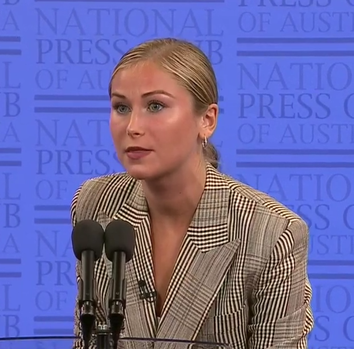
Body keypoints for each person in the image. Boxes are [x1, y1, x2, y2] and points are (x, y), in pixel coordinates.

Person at [71, 38, 313, 349]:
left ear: (207, 120)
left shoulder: (272, 233)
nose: (132, 126)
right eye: (121, 107)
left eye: (155, 106)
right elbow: (89, 336)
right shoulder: (96, 203)